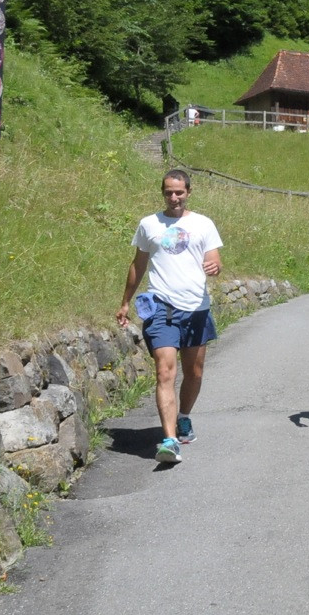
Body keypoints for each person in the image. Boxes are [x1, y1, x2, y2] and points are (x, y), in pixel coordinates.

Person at [117, 169, 223, 464]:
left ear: (189, 192)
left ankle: (184, 417)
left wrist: (215, 267)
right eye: (168, 193)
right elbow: (138, 264)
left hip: (196, 309)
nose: (174, 197)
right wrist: (125, 302)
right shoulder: (149, 224)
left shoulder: (203, 224)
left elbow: (215, 260)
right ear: (162, 193)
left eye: (179, 192)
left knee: (195, 373)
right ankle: (169, 440)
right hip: (161, 307)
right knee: (165, 372)